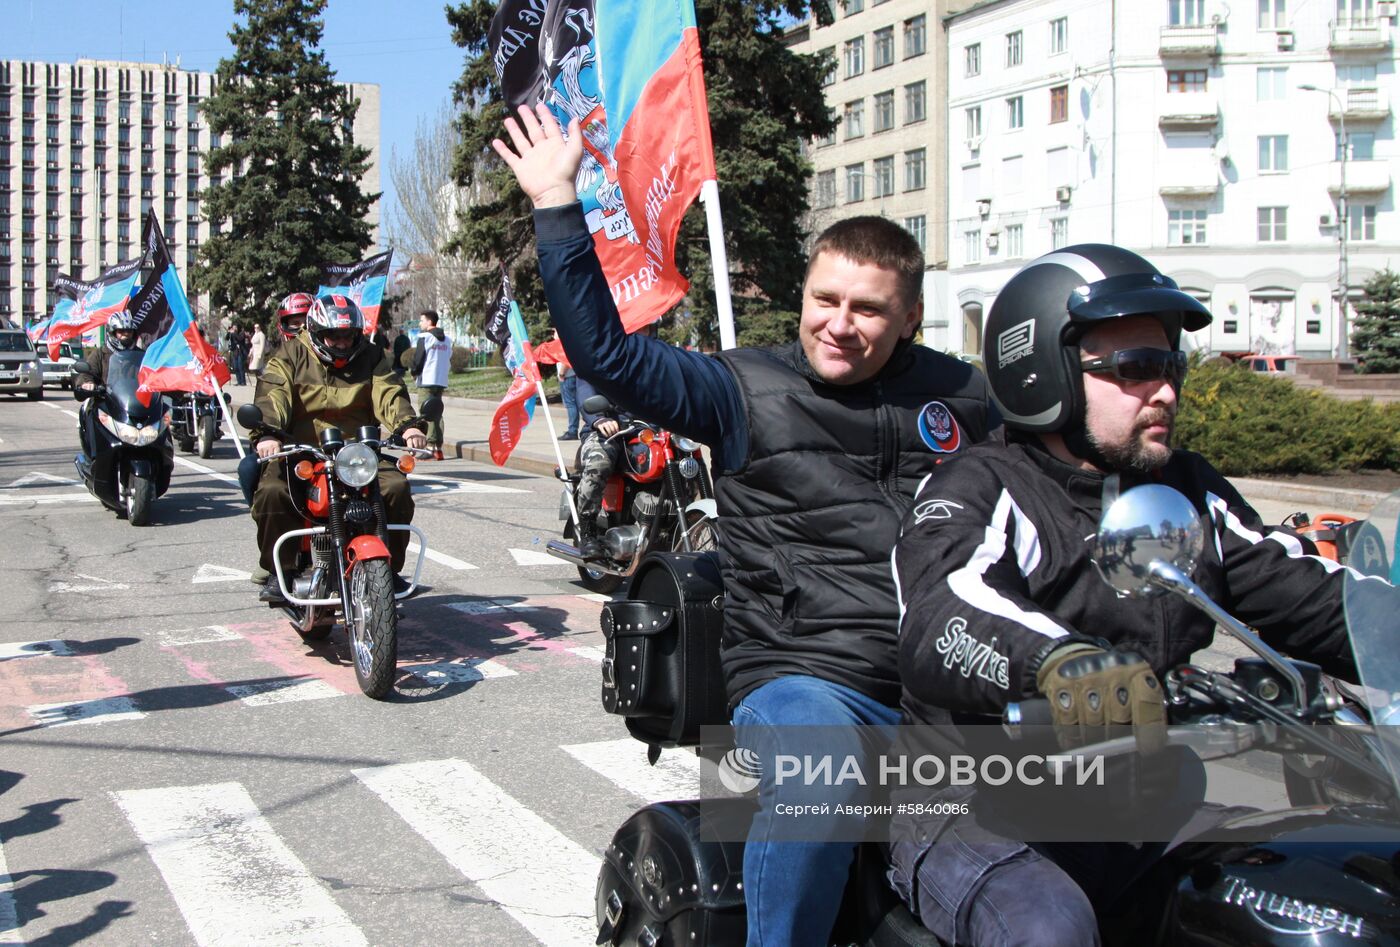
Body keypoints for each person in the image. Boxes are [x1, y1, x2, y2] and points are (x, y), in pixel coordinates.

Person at [493, 102, 1001, 946]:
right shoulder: (743, 389)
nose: (839, 322)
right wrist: (557, 204)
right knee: (823, 771)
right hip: (804, 677)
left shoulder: (966, 395)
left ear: (910, 316)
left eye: (868, 309)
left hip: (945, 681)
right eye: (824, 298)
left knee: (1106, 778)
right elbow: (607, 358)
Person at [888, 244, 1365, 946]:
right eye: (1137, 370)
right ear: (1042, 371)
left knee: (1305, 887)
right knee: (1047, 929)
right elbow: (942, 609)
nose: (1167, 391)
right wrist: (1056, 663)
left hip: (1140, 797)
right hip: (971, 806)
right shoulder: (982, 484)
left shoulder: (1185, 492)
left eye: (1170, 366)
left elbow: (1307, 592)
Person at [247, 294, 427, 604]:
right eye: (334, 336)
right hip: (301, 451)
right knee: (273, 491)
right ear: (316, 332)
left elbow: (389, 393)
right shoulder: (289, 356)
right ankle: (282, 570)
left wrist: (408, 425)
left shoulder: (371, 357)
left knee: (396, 486)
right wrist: (267, 433)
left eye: (348, 336)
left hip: (357, 454)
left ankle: (388, 569)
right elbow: (273, 394)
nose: (342, 343)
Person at [571, 373, 631, 560]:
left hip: (645, 429)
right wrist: (598, 419)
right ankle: (588, 532)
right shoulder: (598, 356)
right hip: (605, 429)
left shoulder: (649, 357)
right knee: (600, 461)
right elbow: (585, 388)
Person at [409, 309, 451, 461]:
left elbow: (419, 358)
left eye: (421, 320)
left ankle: (429, 447)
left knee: (426, 412)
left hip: (426, 379)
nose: (420, 323)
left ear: (429, 321)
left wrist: (414, 371)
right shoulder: (447, 340)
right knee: (437, 413)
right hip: (440, 379)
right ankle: (438, 448)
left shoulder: (425, 337)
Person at [554, 329, 580, 439]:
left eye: (555, 332)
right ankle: (572, 429)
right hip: (569, 376)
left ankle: (572, 431)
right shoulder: (567, 342)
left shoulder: (565, 343)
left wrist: (561, 373)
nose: (553, 334)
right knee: (572, 403)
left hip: (568, 376)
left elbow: (566, 360)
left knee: (571, 404)